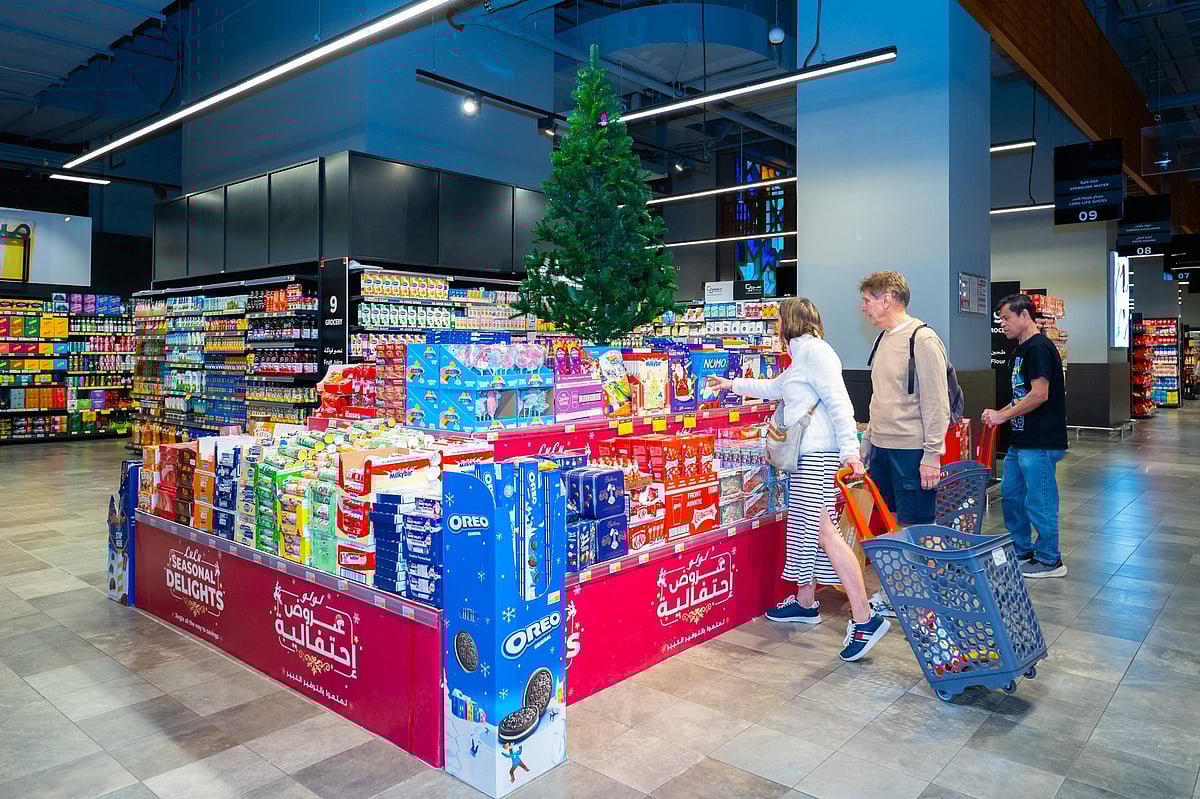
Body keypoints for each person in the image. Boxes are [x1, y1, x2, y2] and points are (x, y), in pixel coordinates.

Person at [707, 297, 890, 662]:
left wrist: (849, 453)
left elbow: (840, 404)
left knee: (824, 534)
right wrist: (730, 384)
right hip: (808, 457)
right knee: (809, 529)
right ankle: (805, 602)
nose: (774, 326)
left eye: (777, 320)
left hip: (817, 456)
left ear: (789, 321)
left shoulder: (817, 354)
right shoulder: (801, 356)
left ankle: (865, 617)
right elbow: (776, 388)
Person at [983, 294, 1068, 578]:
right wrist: (999, 412)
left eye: (1007, 318)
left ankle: (1049, 559)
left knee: (1039, 499)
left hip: (1040, 440)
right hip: (1021, 441)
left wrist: (1003, 416)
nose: (1002, 325)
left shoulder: (1039, 348)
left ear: (1024, 316)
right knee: (1011, 497)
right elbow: (1021, 397)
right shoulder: (1019, 351)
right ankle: (1022, 550)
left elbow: (1039, 395)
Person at [858, 271, 950, 524]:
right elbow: (881, 396)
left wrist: (932, 455)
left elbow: (936, 402)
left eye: (867, 300)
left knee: (916, 527)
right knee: (890, 521)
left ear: (886, 300)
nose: (863, 308)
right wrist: (869, 440)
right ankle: (900, 565)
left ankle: (921, 565)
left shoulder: (922, 339)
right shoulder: (882, 339)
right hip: (881, 448)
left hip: (911, 451)